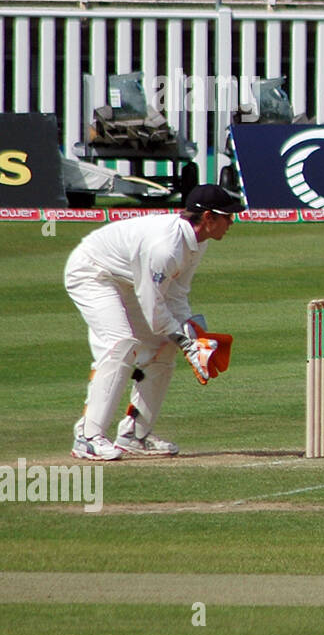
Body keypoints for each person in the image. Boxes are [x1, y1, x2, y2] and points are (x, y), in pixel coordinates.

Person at [63, 184, 244, 461]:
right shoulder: (166, 248)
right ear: (208, 217)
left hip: (127, 278)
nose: (232, 223)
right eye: (227, 217)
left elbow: (177, 296)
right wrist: (186, 342)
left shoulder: (198, 243)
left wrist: (193, 339)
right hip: (93, 273)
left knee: (163, 347)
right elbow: (153, 307)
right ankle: (88, 437)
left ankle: (135, 435)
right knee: (120, 344)